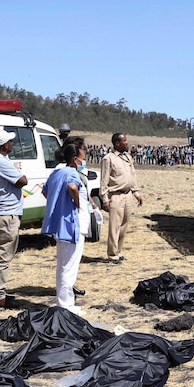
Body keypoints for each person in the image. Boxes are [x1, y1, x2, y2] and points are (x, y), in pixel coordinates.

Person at [43, 142, 90, 314]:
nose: (84, 157)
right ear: (74, 158)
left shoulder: (56, 172)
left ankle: (65, 302)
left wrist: (58, 205)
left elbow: (45, 192)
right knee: (70, 266)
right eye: (83, 154)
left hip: (62, 224)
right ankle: (66, 306)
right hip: (72, 224)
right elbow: (72, 187)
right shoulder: (71, 172)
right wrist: (75, 203)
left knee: (63, 264)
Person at [0, 129, 28, 308]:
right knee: (4, 256)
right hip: (7, 214)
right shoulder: (0, 162)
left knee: (0, 255)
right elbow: (22, 181)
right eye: (10, 141)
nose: (12, 143)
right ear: (5, 145)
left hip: (0, 212)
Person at [100, 133, 143, 262]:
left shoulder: (127, 158)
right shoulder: (108, 159)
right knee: (115, 226)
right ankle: (112, 254)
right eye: (124, 141)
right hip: (116, 196)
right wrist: (105, 199)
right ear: (117, 143)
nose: (127, 142)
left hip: (128, 195)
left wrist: (136, 193)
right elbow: (104, 181)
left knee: (124, 225)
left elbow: (132, 176)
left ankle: (119, 251)